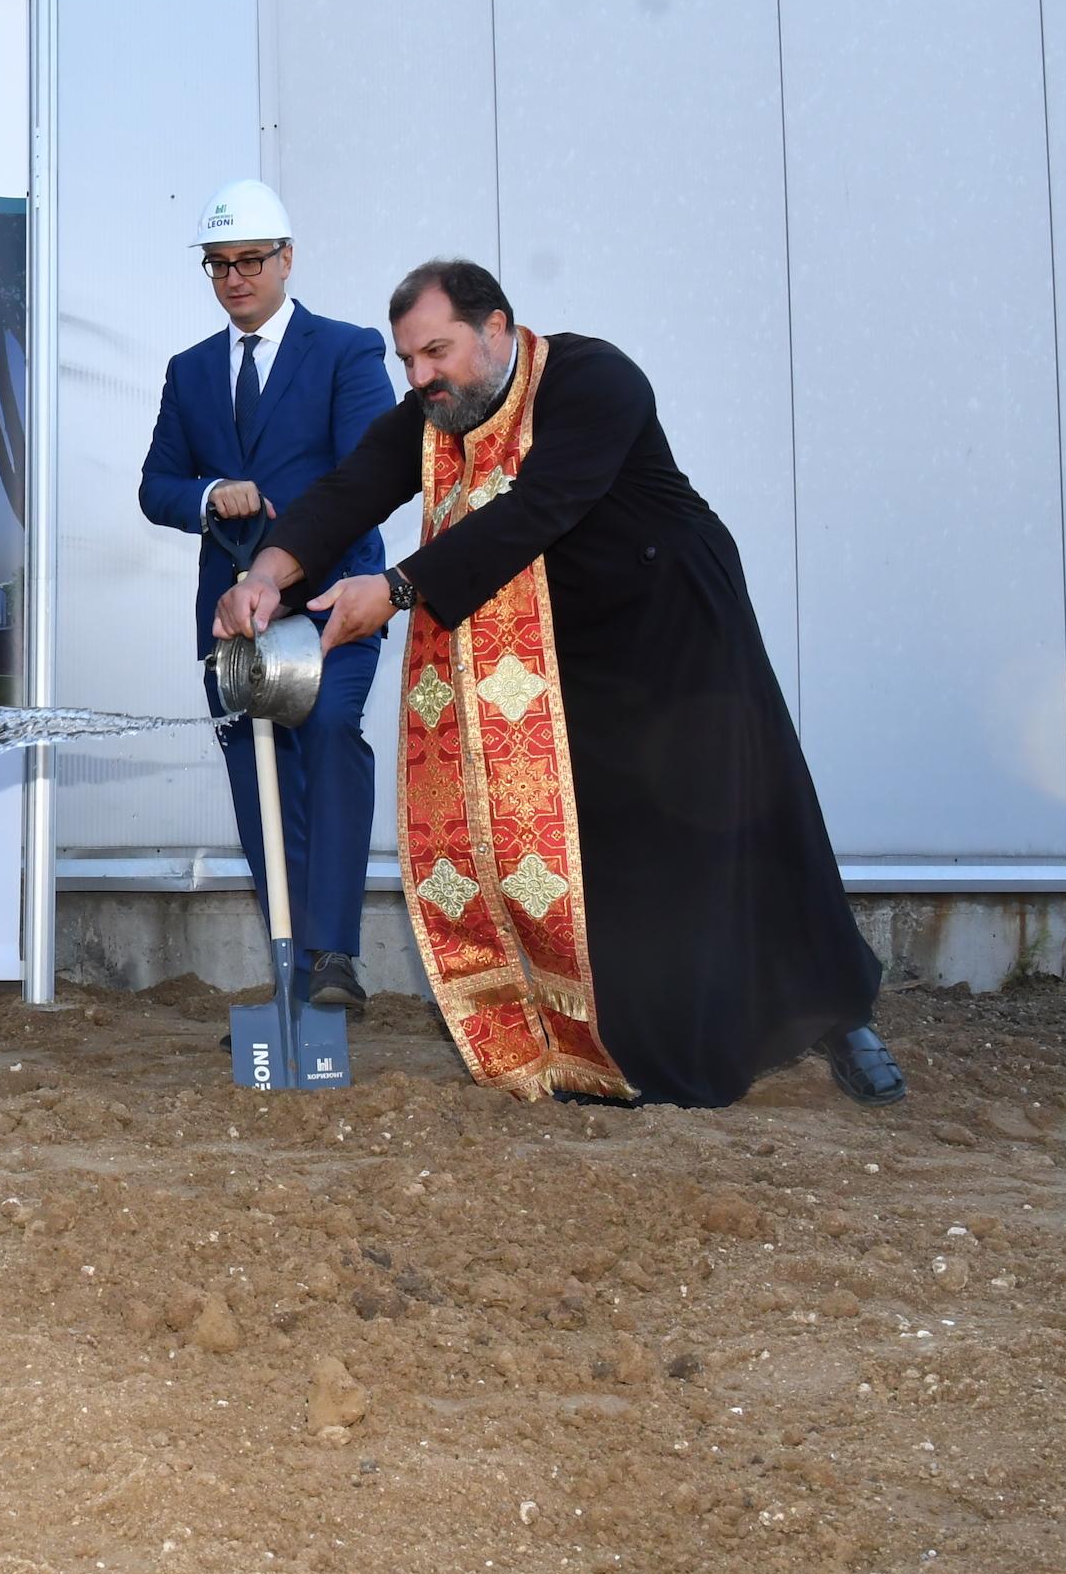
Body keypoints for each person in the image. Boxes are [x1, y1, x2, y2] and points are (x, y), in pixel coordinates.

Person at [223, 258, 903, 1108]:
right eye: (407, 360)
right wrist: (268, 575)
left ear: (496, 328)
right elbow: (351, 488)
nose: (420, 376)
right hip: (571, 650)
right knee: (612, 850)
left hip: (679, 629)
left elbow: (539, 508)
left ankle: (841, 1016)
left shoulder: (593, 378)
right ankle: (632, 1045)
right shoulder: (437, 409)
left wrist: (396, 590)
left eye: (436, 352)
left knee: (746, 827)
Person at [140, 179, 398, 1011]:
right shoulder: (189, 371)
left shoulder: (348, 351)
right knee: (258, 777)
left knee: (328, 735)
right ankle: (293, 969)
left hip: (331, 600)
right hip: (232, 619)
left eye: (250, 260)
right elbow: (156, 487)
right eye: (218, 264)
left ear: (287, 258)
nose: (235, 278)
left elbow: (369, 475)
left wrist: (284, 555)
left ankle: (335, 957)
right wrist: (211, 493)